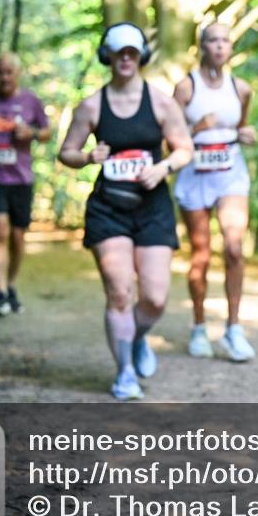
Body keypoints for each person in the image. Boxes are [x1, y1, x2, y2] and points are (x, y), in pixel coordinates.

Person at [58, 22, 193, 400]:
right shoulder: (91, 106)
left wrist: (163, 167)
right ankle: (125, 373)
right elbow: (65, 152)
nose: (126, 58)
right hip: (108, 209)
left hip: (152, 208)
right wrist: (87, 156)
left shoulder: (162, 103)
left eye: (132, 52)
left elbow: (184, 148)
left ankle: (136, 338)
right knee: (120, 292)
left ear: (141, 58)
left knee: (155, 297)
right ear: (109, 57)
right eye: (120, 53)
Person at [172, 22, 257, 362]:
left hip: (230, 175)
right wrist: (197, 127)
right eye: (213, 40)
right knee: (201, 254)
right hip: (195, 176)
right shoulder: (185, 88)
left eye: (225, 40)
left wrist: (246, 134)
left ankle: (234, 329)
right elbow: (170, 140)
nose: (220, 46)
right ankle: (198, 326)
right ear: (201, 46)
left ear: (231, 48)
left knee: (234, 248)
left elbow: (241, 129)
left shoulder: (242, 89)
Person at [0, 52, 52, 316]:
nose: (4, 77)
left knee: (17, 237)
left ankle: (12, 286)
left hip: (22, 178)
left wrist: (32, 133)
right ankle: (1, 292)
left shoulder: (31, 101)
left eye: (8, 72)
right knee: (0, 231)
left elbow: (47, 133)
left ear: (18, 74)